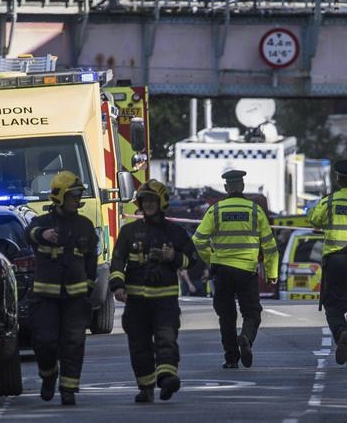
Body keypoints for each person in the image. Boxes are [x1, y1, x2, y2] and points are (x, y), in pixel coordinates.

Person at [109, 179, 197, 403]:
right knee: (139, 346)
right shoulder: (129, 232)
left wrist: (173, 257)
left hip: (165, 300)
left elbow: (193, 260)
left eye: (152, 200)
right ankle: (145, 388)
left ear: (161, 203)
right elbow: (118, 260)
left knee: (166, 340)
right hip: (136, 301)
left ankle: (167, 378)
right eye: (145, 200)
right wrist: (118, 286)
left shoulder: (175, 232)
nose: (148, 204)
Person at [192, 170, 279, 369]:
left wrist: (211, 258)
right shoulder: (255, 210)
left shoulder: (216, 210)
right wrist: (272, 272)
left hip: (222, 271)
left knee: (226, 316)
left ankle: (231, 358)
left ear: (226, 188)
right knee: (252, 312)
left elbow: (198, 240)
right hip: (246, 271)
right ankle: (246, 337)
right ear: (241, 186)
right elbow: (269, 245)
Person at [25, 170, 97, 405]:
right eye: (73, 196)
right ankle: (48, 375)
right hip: (45, 298)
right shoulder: (42, 222)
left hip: (75, 299)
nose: (77, 200)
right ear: (60, 197)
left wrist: (88, 287)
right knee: (44, 341)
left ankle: (68, 390)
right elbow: (28, 233)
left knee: (74, 343)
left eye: (78, 196)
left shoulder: (85, 226)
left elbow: (91, 261)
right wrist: (43, 234)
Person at [308, 159, 347, 366]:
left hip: (336, 260)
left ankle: (341, 332)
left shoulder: (330, 201)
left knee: (333, 305)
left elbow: (313, 218)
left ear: (339, 180)